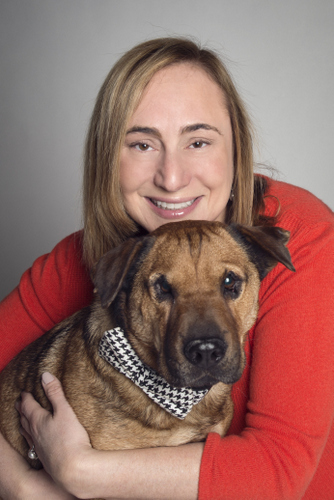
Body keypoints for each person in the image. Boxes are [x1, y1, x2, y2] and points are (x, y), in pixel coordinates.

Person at [0, 37, 333, 500]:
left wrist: (81, 472)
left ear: (237, 147)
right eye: (141, 143)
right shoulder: (91, 257)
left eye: (197, 140)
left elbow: (279, 470)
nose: (172, 178)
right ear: (107, 158)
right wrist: (23, 487)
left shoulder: (302, 236)